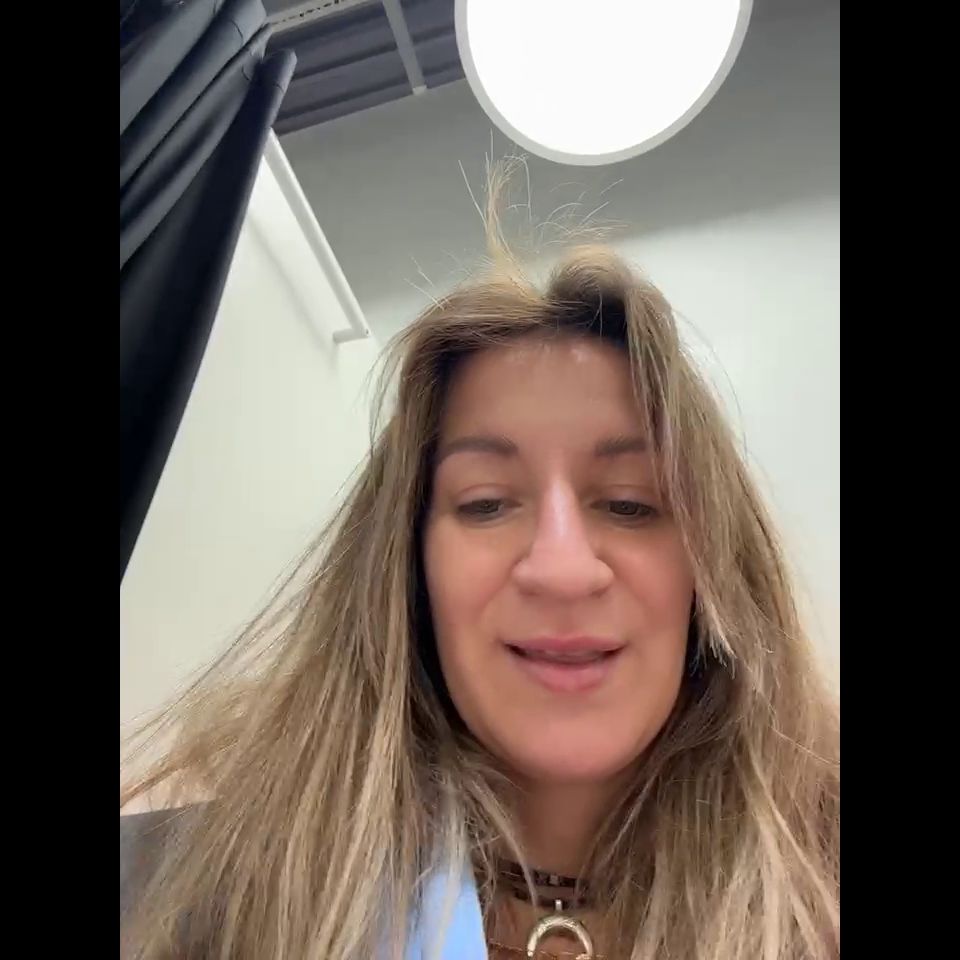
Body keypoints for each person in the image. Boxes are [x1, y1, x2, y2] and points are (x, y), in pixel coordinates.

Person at [120, 198, 840, 959]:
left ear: (712, 570)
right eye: (486, 503)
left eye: (631, 503)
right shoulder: (182, 894)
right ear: (408, 568)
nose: (562, 569)